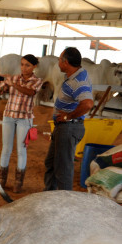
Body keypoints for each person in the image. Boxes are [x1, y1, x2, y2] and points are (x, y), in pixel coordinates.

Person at [44, 47, 94, 191]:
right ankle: (49, 196)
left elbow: (88, 103)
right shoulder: (75, 75)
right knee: (52, 163)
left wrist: (68, 116)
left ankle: (64, 201)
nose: (58, 62)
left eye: (59, 60)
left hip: (68, 127)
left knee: (63, 168)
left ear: (65, 62)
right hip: (64, 127)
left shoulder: (78, 81)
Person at [0, 54, 43, 193]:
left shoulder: (38, 80)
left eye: (27, 65)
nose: (24, 68)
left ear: (35, 66)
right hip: (9, 115)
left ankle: (18, 182)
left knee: (21, 150)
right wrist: (0, 81)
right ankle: (1, 180)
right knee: (6, 148)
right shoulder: (14, 78)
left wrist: (13, 84)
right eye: (22, 64)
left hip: (25, 118)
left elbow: (30, 92)